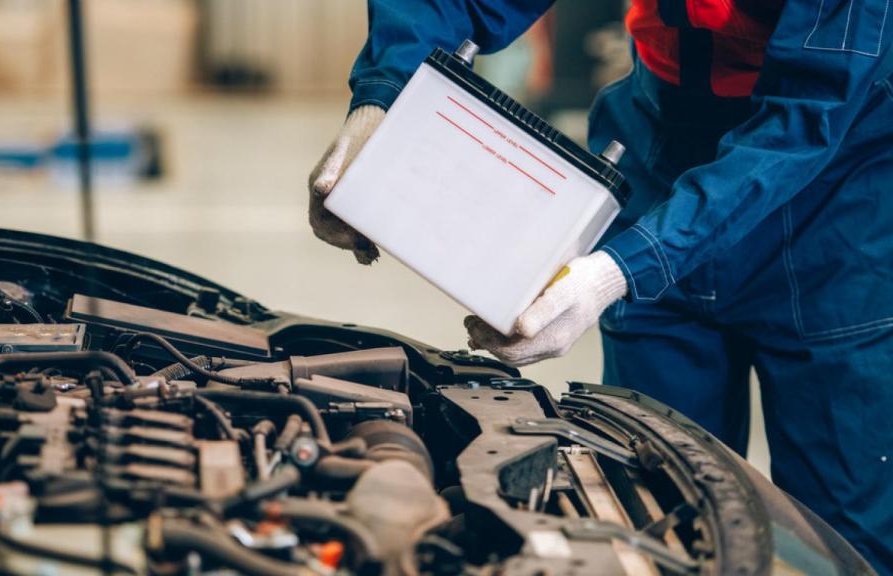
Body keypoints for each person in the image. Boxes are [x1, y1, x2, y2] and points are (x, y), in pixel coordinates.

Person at [307, 0, 893, 571]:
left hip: (831, 212)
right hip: (659, 153)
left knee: (841, 537)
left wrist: (618, 269)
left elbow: (807, 117)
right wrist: (383, 98)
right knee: (655, 511)